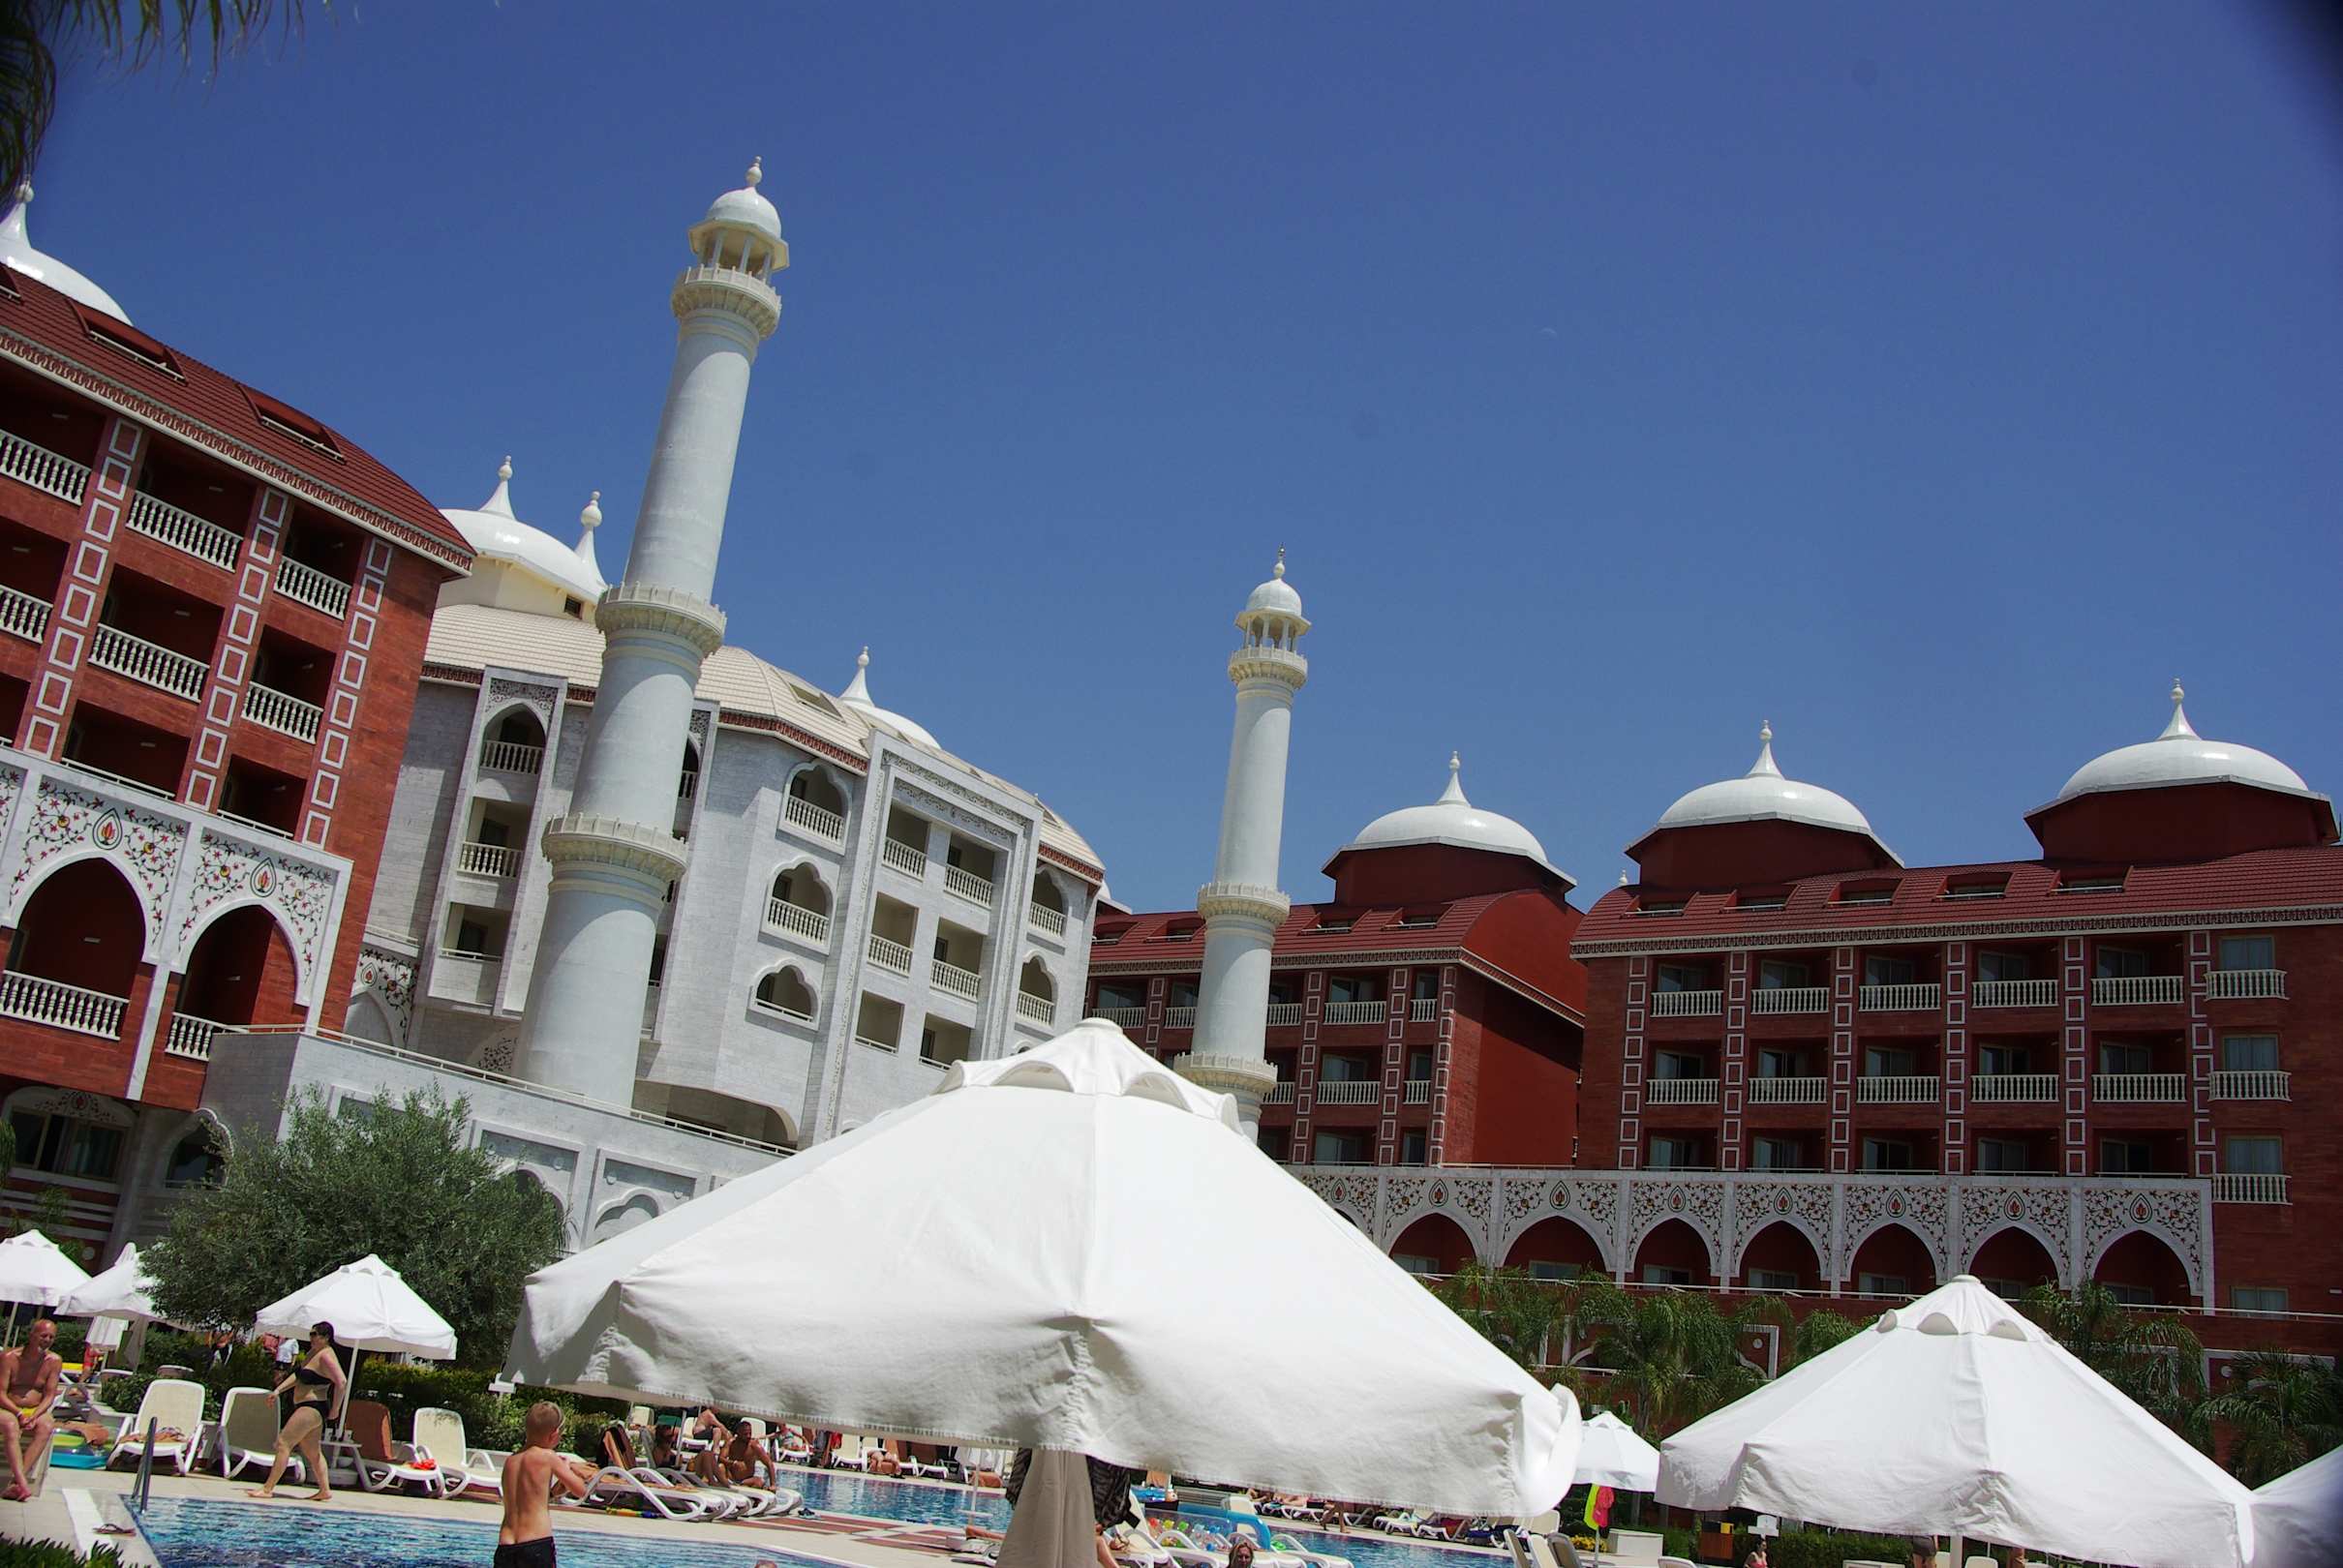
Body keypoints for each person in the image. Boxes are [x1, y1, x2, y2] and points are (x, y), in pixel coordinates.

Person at [246, 1321, 346, 1502]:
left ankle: (267, 1489)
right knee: (312, 1451)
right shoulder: (313, 1353)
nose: (311, 1338)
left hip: (313, 1406)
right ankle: (325, 1490)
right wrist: (278, 1391)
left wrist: (335, 1410)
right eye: (311, 1334)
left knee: (283, 1443)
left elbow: (342, 1382)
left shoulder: (326, 1356)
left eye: (315, 1334)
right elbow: (298, 1375)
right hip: (307, 1406)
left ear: (325, 1337)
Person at [498, 1402, 593, 1567]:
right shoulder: (548, 1456)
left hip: (506, 1544)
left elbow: (525, 1498)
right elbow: (580, 1490)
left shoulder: (511, 1461)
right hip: (536, 1543)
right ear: (554, 1434)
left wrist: (552, 1493)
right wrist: (566, 1468)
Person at [0, 1317, 61, 1502]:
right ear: (32, 1335)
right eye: (43, 1335)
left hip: (36, 1409)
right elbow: (1, 1393)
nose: (47, 1340)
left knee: (46, 1426)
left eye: (51, 1337)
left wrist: (34, 1415)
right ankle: (22, 1483)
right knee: (11, 1425)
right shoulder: (9, 1357)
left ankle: (15, 1483)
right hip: (8, 1407)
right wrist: (19, 1413)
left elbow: (49, 1396)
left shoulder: (54, 1361)